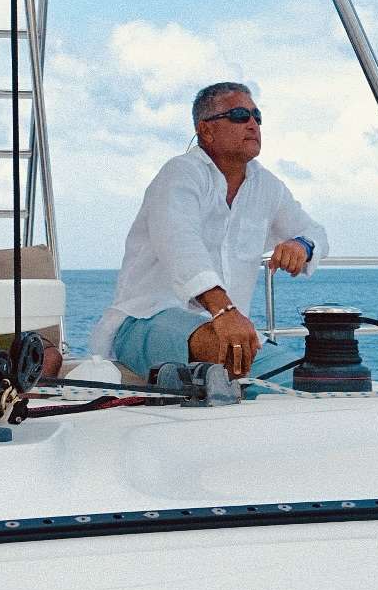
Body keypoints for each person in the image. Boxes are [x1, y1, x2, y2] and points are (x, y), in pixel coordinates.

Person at [90, 82, 327, 379]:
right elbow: (180, 245)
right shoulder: (180, 174)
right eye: (239, 115)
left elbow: (315, 231)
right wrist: (224, 311)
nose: (253, 124)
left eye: (257, 116)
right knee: (227, 352)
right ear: (206, 130)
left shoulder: (268, 186)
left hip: (228, 331)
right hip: (145, 319)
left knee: (312, 378)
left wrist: (302, 245)